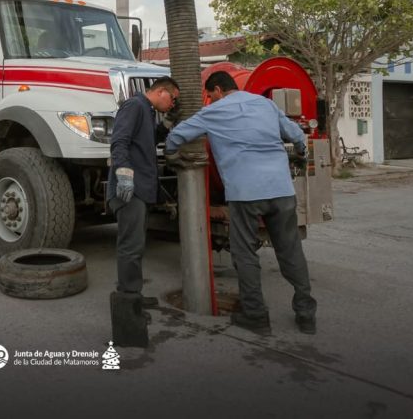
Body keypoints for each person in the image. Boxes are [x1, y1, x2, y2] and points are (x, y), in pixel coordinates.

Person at [165, 71, 317, 334]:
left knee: (245, 253)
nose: (210, 100)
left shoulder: (214, 111)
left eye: (210, 95)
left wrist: (169, 153)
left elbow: (177, 135)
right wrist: (301, 154)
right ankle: (306, 315)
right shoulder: (266, 104)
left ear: (217, 91)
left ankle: (256, 316)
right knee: (290, 251)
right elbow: (296, 135)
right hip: (281, 189)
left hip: (245, 193)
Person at [109, 76, 180, 307]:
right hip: (131, 189)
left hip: (141, 189)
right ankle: (128, 301)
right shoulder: (134, 105)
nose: (172, 104)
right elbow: (119, 141)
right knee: (131, 246)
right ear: (161, 92)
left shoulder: (147, 111)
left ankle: (133, 295)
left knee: (137, 245)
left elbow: (146, 142)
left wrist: (166, 125)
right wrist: (124, 174)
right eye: (172, 99)